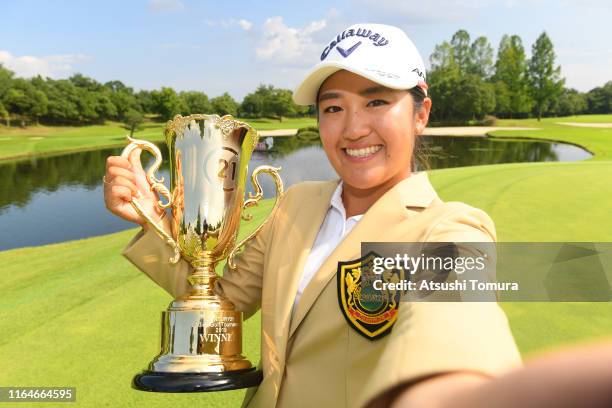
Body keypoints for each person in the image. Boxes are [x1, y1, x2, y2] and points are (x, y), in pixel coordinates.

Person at [104, 23, 612, 408]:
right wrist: (150, 220)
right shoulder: (296, 203)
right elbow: (222, 302)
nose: (352, 129)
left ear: (420, 113)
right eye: (333, 107)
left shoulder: (446, 227)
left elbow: (456, 326)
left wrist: (449, 391)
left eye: (376, 101)